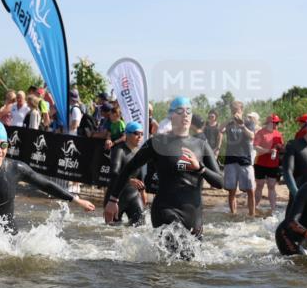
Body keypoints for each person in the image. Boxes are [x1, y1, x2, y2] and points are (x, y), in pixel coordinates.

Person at [103, 97, 224, 242]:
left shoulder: (201, 145)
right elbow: (129, 168)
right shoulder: (158, 142)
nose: (185, 114)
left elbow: (220, 182)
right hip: (165, 210)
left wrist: (200, 168)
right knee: (177, 251)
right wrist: (113, 199)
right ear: (171, 115)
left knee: (190, 261)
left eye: (188, 111)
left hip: (193, 215)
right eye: (180, 111)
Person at [104, 121, 146, 226]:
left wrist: (142, 193)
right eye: (136, 133)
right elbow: (114, 172)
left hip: (133, 196)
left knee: (141, 227)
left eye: (142, 134)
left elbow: (139, 176)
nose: (140, 136)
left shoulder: (138, 152)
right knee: (110, 232)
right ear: (127, 134)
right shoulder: (119, 150)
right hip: (115, 198)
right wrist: (128, 180)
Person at [222, 100, 256, 215]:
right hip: (230, 159)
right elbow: (219, 130)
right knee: (232, 190)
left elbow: (252, 136)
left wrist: (242, 126)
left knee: (250, 190)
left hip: (245, 159)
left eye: (236, 110)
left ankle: (252, 214)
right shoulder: (229, 122)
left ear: (242, 110)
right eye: (232, 110)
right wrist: (228, 120)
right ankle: (233, 214)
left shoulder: (248, 122)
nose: (234, 112)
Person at [253, 114, 283, 215]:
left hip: (273, 164)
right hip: (260, 163)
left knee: (271, 185)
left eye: (278, 123)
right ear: (270, 123)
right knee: (259, 185)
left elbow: (281, 147)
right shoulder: (260, 133)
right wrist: (268, 151)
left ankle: (273, 208)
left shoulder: (278, 134)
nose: (277, 125)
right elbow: (255, 147)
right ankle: (255, 206)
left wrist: (280, 147)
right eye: (276, 123)